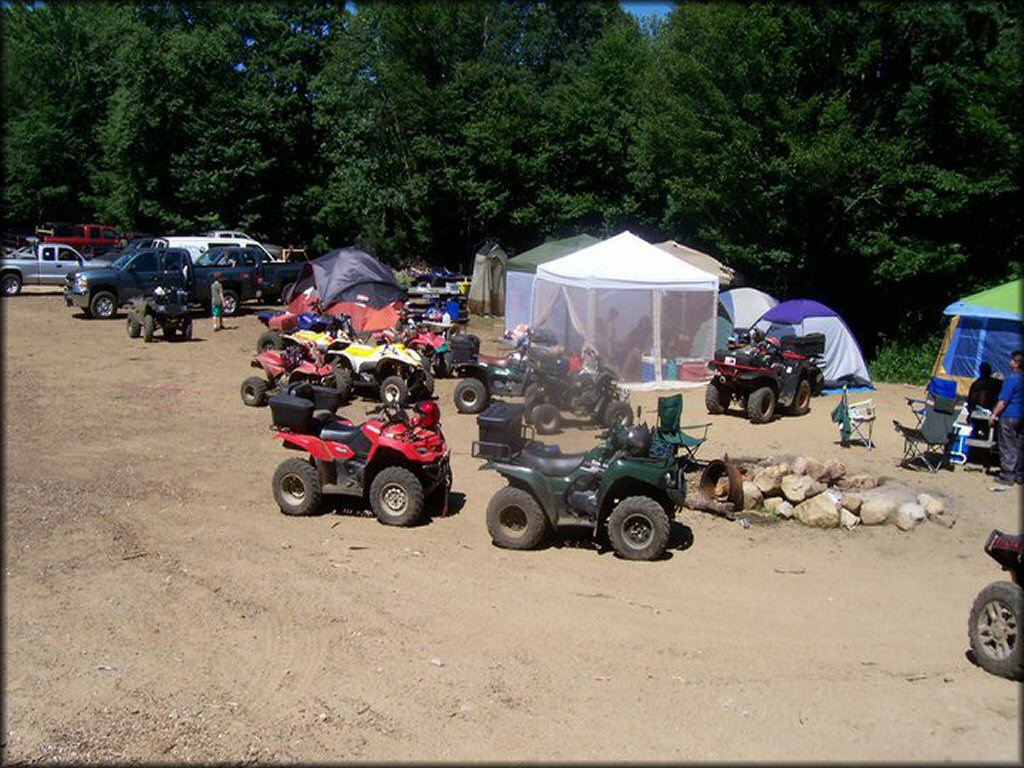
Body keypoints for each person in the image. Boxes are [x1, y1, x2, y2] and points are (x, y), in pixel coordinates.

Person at [988, 350, 1023, 485]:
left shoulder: (1012, 379)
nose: (1010, 363)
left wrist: (994, 414)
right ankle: (1019, 475)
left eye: (1012, 361)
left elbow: (1004, 401)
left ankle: (1007, 475)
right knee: (1019, 445)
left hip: (1010, 415)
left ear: (1016, 364)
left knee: (1007, 445)